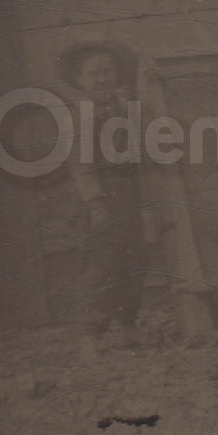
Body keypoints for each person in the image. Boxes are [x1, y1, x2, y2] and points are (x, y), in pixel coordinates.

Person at [60, 43, 147, 342]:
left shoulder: (123, 107)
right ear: (79, 79)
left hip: (127, 191)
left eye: (107, 71)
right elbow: (80, 166)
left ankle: (128, 325)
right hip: (96, 196)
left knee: (132, 259)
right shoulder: (79, 115)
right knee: (99, 265)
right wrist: (96, 205)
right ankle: (89, 337)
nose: (102, 79)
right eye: (93, 73)